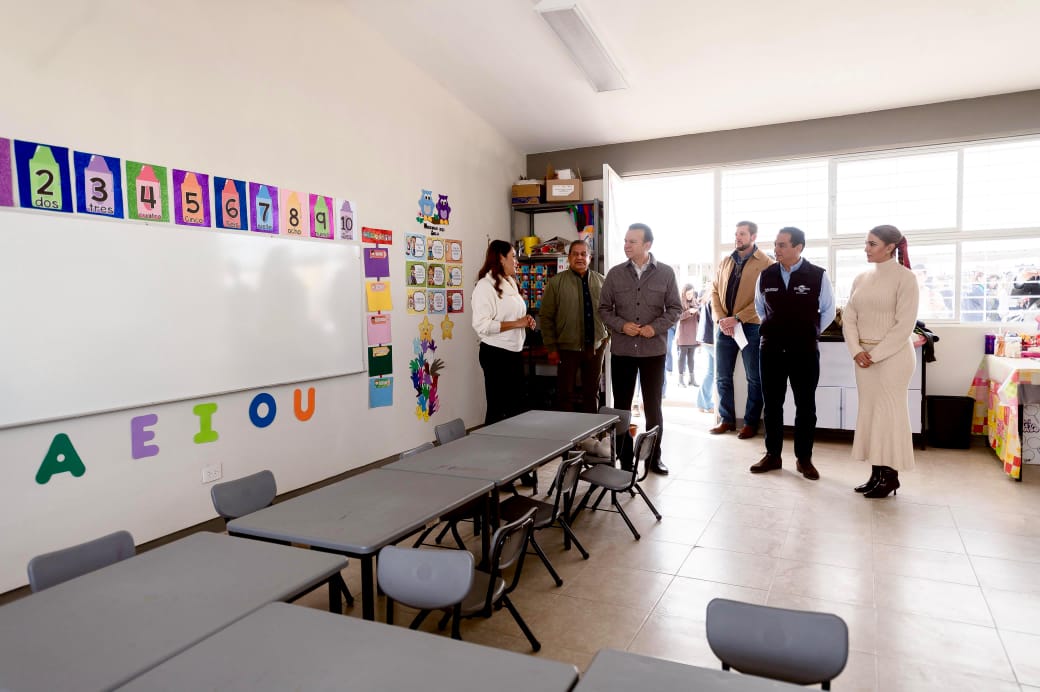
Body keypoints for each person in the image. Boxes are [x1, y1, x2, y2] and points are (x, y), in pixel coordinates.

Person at [749, 227, 835, 480]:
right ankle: (772, 455)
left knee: (805, 406)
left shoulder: (817, 275)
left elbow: (828, 311)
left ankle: (804, 459)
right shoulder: (766, 275)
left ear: (798, 247)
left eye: (782, 245)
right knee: (773, 404)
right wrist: (776, 329)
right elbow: (759, 308)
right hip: (771, 349)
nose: (776, 249)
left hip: (804, 350)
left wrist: (810, 331)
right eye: (776, 244)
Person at [842, 224, 920, 499]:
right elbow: (849, 318)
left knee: (889, 415)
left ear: (890, 247)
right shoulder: (861, 277)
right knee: (871, 414)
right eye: (866, 243)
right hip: (863, 358)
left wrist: (873, 355)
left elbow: (904, 326)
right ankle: (876, 474)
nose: (866, 248)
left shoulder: (906, 279)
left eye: (872, 243)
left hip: (893, 358)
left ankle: (890, 477)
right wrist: (856, 351)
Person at [598, 223, 682, 475]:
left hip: (653, 352)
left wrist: (654, 328)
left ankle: (654, 458)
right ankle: (624, 460)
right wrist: (622, 325)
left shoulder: (666, 273)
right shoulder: (614, 274)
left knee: (653, 408)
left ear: (647, 245)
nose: (626, 245)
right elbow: (604, 310)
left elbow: (675, 309)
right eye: (625, 241)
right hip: (623, 351)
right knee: (621, 408)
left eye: (632, 241)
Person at [709, 221, 774, 438]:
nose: (738, 238)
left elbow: (765, 298)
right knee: (722, 376)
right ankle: (726, 420)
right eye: (736, 234)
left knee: (754, 378)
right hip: (725, 327)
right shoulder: (726, 261)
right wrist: (721, 319)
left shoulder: (766, 263)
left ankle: (751, 423)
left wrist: (737, 318)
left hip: (751, 327)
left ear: (753, 237)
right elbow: (714, 291)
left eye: (742, 234)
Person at [471, 240, 536, 425]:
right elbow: (482, 325)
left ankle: (515, 451)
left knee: (517, 408)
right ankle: (490, 450)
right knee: (498, 409)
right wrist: (517, 323)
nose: (517, 261)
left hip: (514, 352)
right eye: (513, 256)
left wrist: (525, 320)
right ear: (501, 258)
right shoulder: (485, 286)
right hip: (495, 354)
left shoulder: (510, 282)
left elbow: (513, 315)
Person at [540, 240, 608, 412]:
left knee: (592, 393)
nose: (579, 257)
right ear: (569, 258)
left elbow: (611, 313)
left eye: (583, 254)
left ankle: (592, 435)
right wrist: (551, 348)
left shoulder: (602, 282)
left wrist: (606, 338)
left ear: (590, 258)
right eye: (575, 254)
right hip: (566, 348)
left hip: (595, 347)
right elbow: (546, 317)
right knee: (565, 394)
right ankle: (567, 434)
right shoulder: (556, 283)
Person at [696, 287, 716, 413]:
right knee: (713, 373)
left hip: (706, 339)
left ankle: (702, 403)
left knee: (710, 372)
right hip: (711, 340)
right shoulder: (713, 299)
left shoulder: (707, 298)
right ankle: (706, 404)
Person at [676, 284, 700, 387]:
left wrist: (698, 312)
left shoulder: (695, 302)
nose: (690, 295)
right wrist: (689, 312)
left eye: (692, 293)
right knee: (682, 357)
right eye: (688, 293)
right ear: (684, 293)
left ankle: (692, 379)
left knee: (691, 358)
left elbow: (699, 319)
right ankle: (680, 380)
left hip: (693, 334)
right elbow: (677, 317)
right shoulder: (679, 303)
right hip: (683, 335)